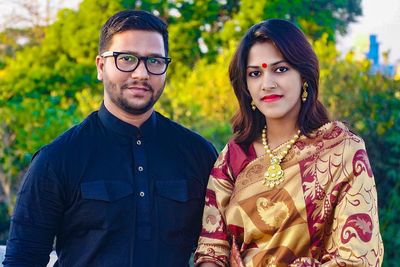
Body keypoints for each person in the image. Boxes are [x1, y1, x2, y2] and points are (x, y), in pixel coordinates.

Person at [3, 10, 217, 267]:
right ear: (100, 66)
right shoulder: (58, 159)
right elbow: (23, 259)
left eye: (155, 61)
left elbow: (219, 247)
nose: (141, 73)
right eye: (126, 59)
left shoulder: (198, 154)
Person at [194, 19, 383, 267]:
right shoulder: (233, 157)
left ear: (304, 75)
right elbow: (212, 248)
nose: (267, 83)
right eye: (255, 73)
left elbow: (357, 256)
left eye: (280, 69)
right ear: (246, 85)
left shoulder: (343, 151)